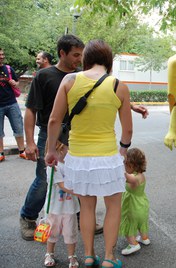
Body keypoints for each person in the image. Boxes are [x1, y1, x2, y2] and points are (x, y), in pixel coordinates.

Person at [45, 39, 132, 268]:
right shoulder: (119, 86)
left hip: (79, 157)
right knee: (113, 206)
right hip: (107, 156)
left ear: (86, 58)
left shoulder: (69, 81)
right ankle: (109, 257)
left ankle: (89, 255)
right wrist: (123, 150)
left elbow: (54, 119)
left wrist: (51, 150)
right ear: (108, 60)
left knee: (87, 207)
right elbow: (128, 129)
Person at [20, 35, 85, 241]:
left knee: (78, 177)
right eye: (75, 55)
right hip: (50, 135)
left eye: (81, 55)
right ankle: (28, 217)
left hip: (76, 136)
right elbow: (31, 110)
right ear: (62, 53)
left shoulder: (81, 76)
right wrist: (30, 143)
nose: (79, 59)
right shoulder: (44, 76)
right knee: (44, 180)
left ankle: (80, 217)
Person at [43, 140, 79, 268]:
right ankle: (49, 253)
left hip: (69, 207)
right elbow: (62, 185)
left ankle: (72, 256)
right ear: (59, 149)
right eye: (67, 149)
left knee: (70, 232)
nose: (69, 151)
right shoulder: (53, 166)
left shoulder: (71, 164)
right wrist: (81, 192)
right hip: (54, 207)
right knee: (52, 232)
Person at [119, 147, 150, 255]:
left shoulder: (133, 178)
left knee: (128, 225)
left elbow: (126, 176)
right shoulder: (141, 176)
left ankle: (133, 244)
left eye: (125, 164)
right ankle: (144, 238)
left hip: (132, 207)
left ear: (131, 165)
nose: (124, 166)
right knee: (141, 222)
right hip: (142, 204)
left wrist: (117, 166)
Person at [0, 47, 27, 162]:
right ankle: (1, 153)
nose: (2, 57)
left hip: (12, 103)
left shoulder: (8, 68)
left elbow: (17, 83)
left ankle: (22, 151)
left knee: (18, 127)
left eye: (2, 54)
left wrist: (14, 83)